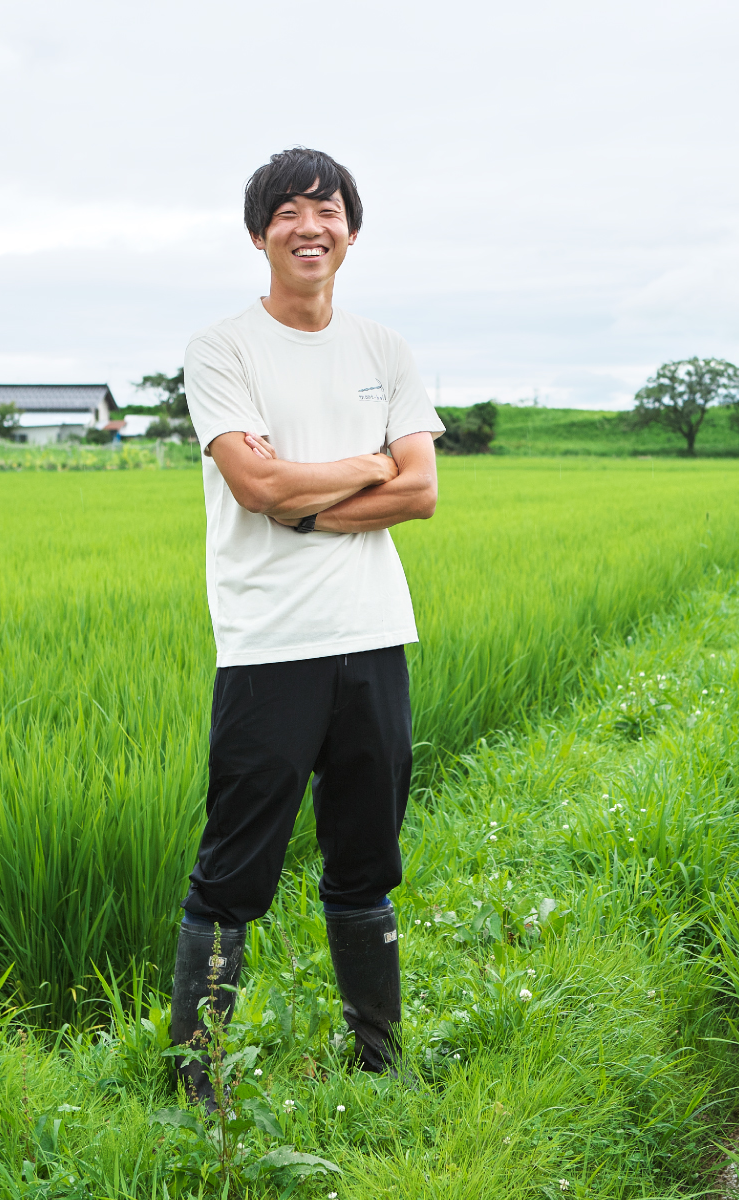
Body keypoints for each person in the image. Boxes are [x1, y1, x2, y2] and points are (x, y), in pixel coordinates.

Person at [170, 147, 444, 1105]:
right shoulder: (223, 349)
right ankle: (195, 1083)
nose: (308, 227)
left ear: (352, 232)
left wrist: (314, 498)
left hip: (373, 636)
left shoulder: (384, 350)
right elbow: (255, 485)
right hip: (269, 644)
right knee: (234, 868)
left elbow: (420, 491)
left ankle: (377, 1060)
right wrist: (366, 464)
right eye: (287, 212)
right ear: (259, 234)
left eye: (326, 211)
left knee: (366, 859)